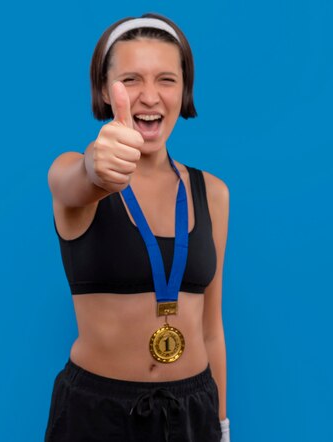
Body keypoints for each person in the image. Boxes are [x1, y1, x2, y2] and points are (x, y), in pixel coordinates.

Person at [44, 13, 230, 442]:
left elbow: (212, 329)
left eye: (166, 79)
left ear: (184, 90)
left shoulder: (213, 193)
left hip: (193, 410)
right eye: (130, 79)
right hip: (97, 413)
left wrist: (221, 425)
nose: (149, 96)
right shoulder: (74, 171)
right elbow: (75, 181)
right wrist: (97, 166)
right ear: (105, 92)